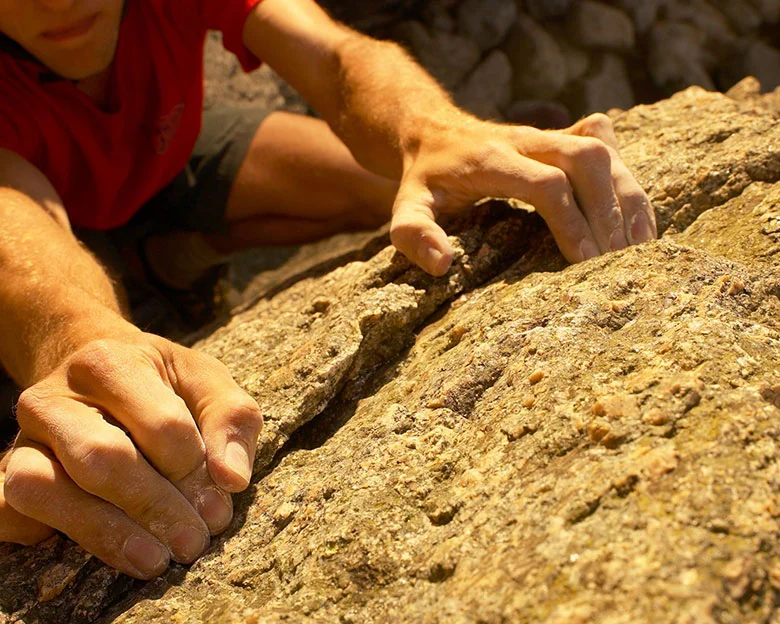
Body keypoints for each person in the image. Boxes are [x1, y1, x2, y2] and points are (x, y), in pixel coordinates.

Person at [0, 0, 657, 580]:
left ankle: (172, 255)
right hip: (54, 209)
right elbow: (14, 225)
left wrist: (430, 128)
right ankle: (142, 266)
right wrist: (79, 339)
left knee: (420, 187)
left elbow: (334, 57)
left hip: (164, 157)